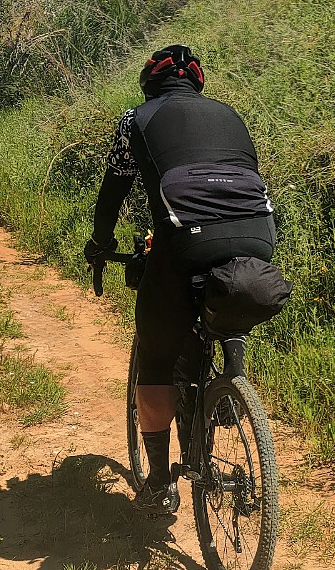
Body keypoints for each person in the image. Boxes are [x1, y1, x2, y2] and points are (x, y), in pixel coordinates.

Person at [84, 44, 276, 515]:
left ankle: (158, 481)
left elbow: (114, 189)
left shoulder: (136, 119)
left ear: (150, 84)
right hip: (259, 236)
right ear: (197, 84)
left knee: (155, 354)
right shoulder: (229, 114)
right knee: (228, 295)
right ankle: (232, 381)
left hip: (184, 242)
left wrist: (100, 243)